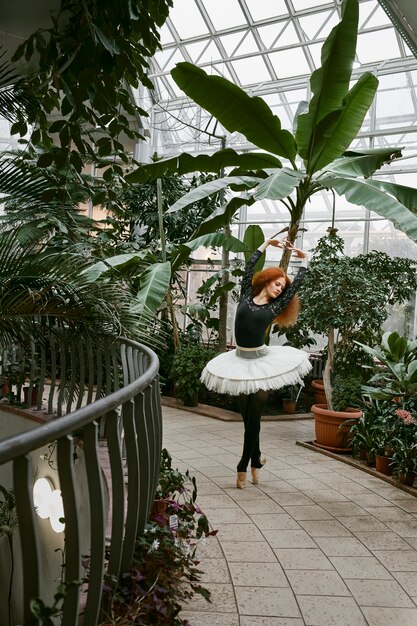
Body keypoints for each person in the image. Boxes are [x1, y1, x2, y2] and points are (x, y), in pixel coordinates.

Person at [201, 237, 312, 489]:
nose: (279, 289)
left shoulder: (276, 307)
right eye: (277, 283)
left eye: (282, 287)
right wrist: (265, 244)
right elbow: (250, 266)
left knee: (254, 414)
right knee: (248, 418)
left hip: (261, 364)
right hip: (238, 361)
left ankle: (242, 466)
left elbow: (297, 286)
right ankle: (257, 461)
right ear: (267, 280)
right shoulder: (246, 295)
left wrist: (304, 260)